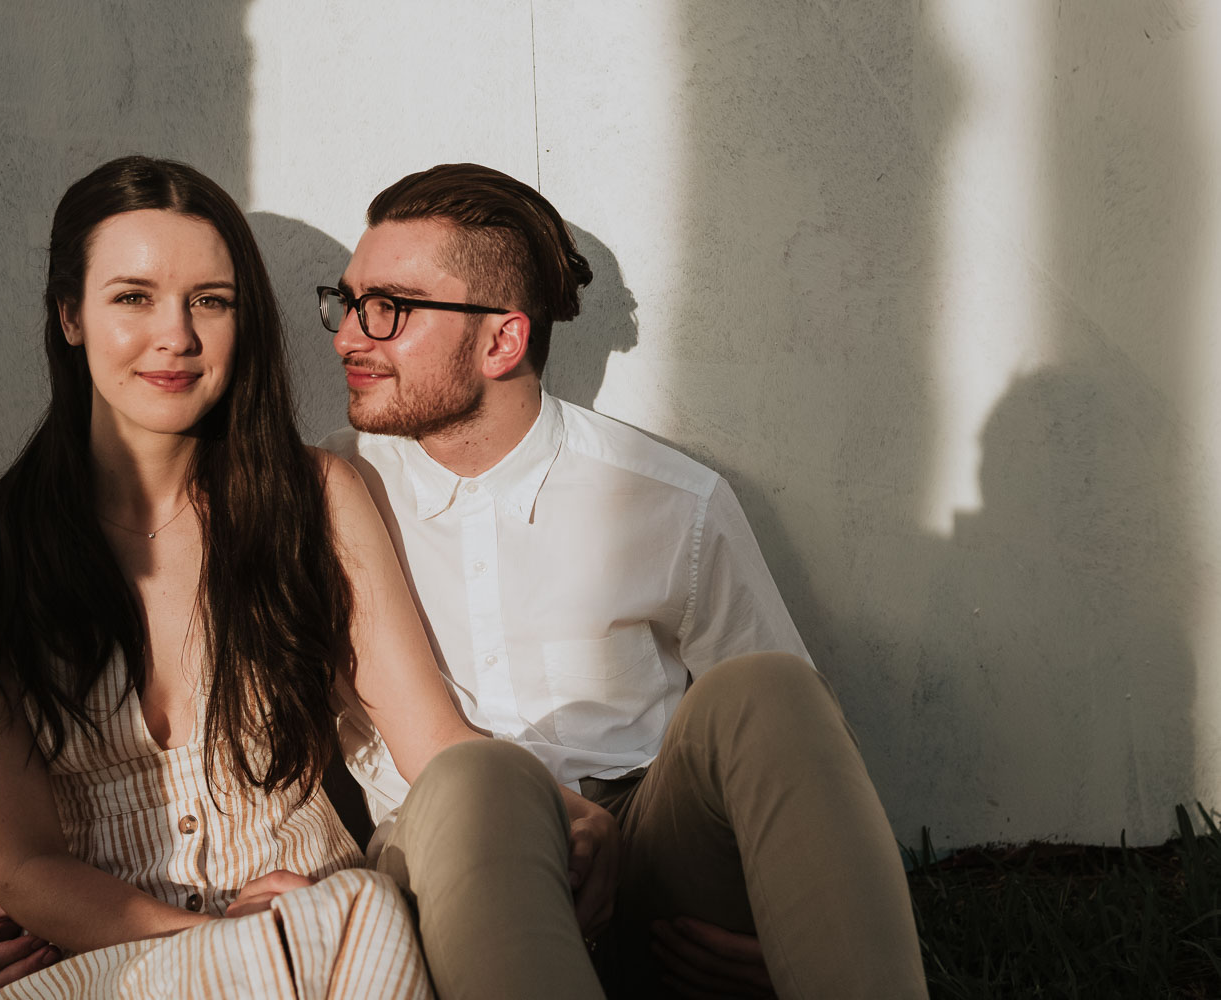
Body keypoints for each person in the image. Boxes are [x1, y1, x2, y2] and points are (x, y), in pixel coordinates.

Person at [0, 156, 613, 1000]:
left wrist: (558, 808)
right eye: (133, 297)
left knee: (367, 917)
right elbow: (24, 866)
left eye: (212, 300)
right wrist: (218, 940)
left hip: (330, 937)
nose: (178, 335)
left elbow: (435, 742)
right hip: (113, 966)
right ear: (70, 315)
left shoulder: (315, 502)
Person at [313, 163, 930, 1000]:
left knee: (772, 689)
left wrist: (796, 928)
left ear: (503, 340)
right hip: (444, 854)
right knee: (479, 778)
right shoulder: (325, 499)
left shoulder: (670, 498)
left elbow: (790, 753)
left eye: (388, 309)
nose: (350, 335)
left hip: (647, 856)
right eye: (347, 302)